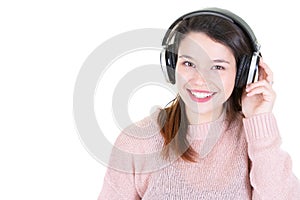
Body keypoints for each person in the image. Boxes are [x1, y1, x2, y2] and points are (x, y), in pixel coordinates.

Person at [98, 7, 300, 199]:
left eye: (218, 67)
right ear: (172, 65)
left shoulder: (252, 139)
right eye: (189, 63)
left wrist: (259, 120)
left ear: (243, 74)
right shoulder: (138, 141)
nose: (200, 80)